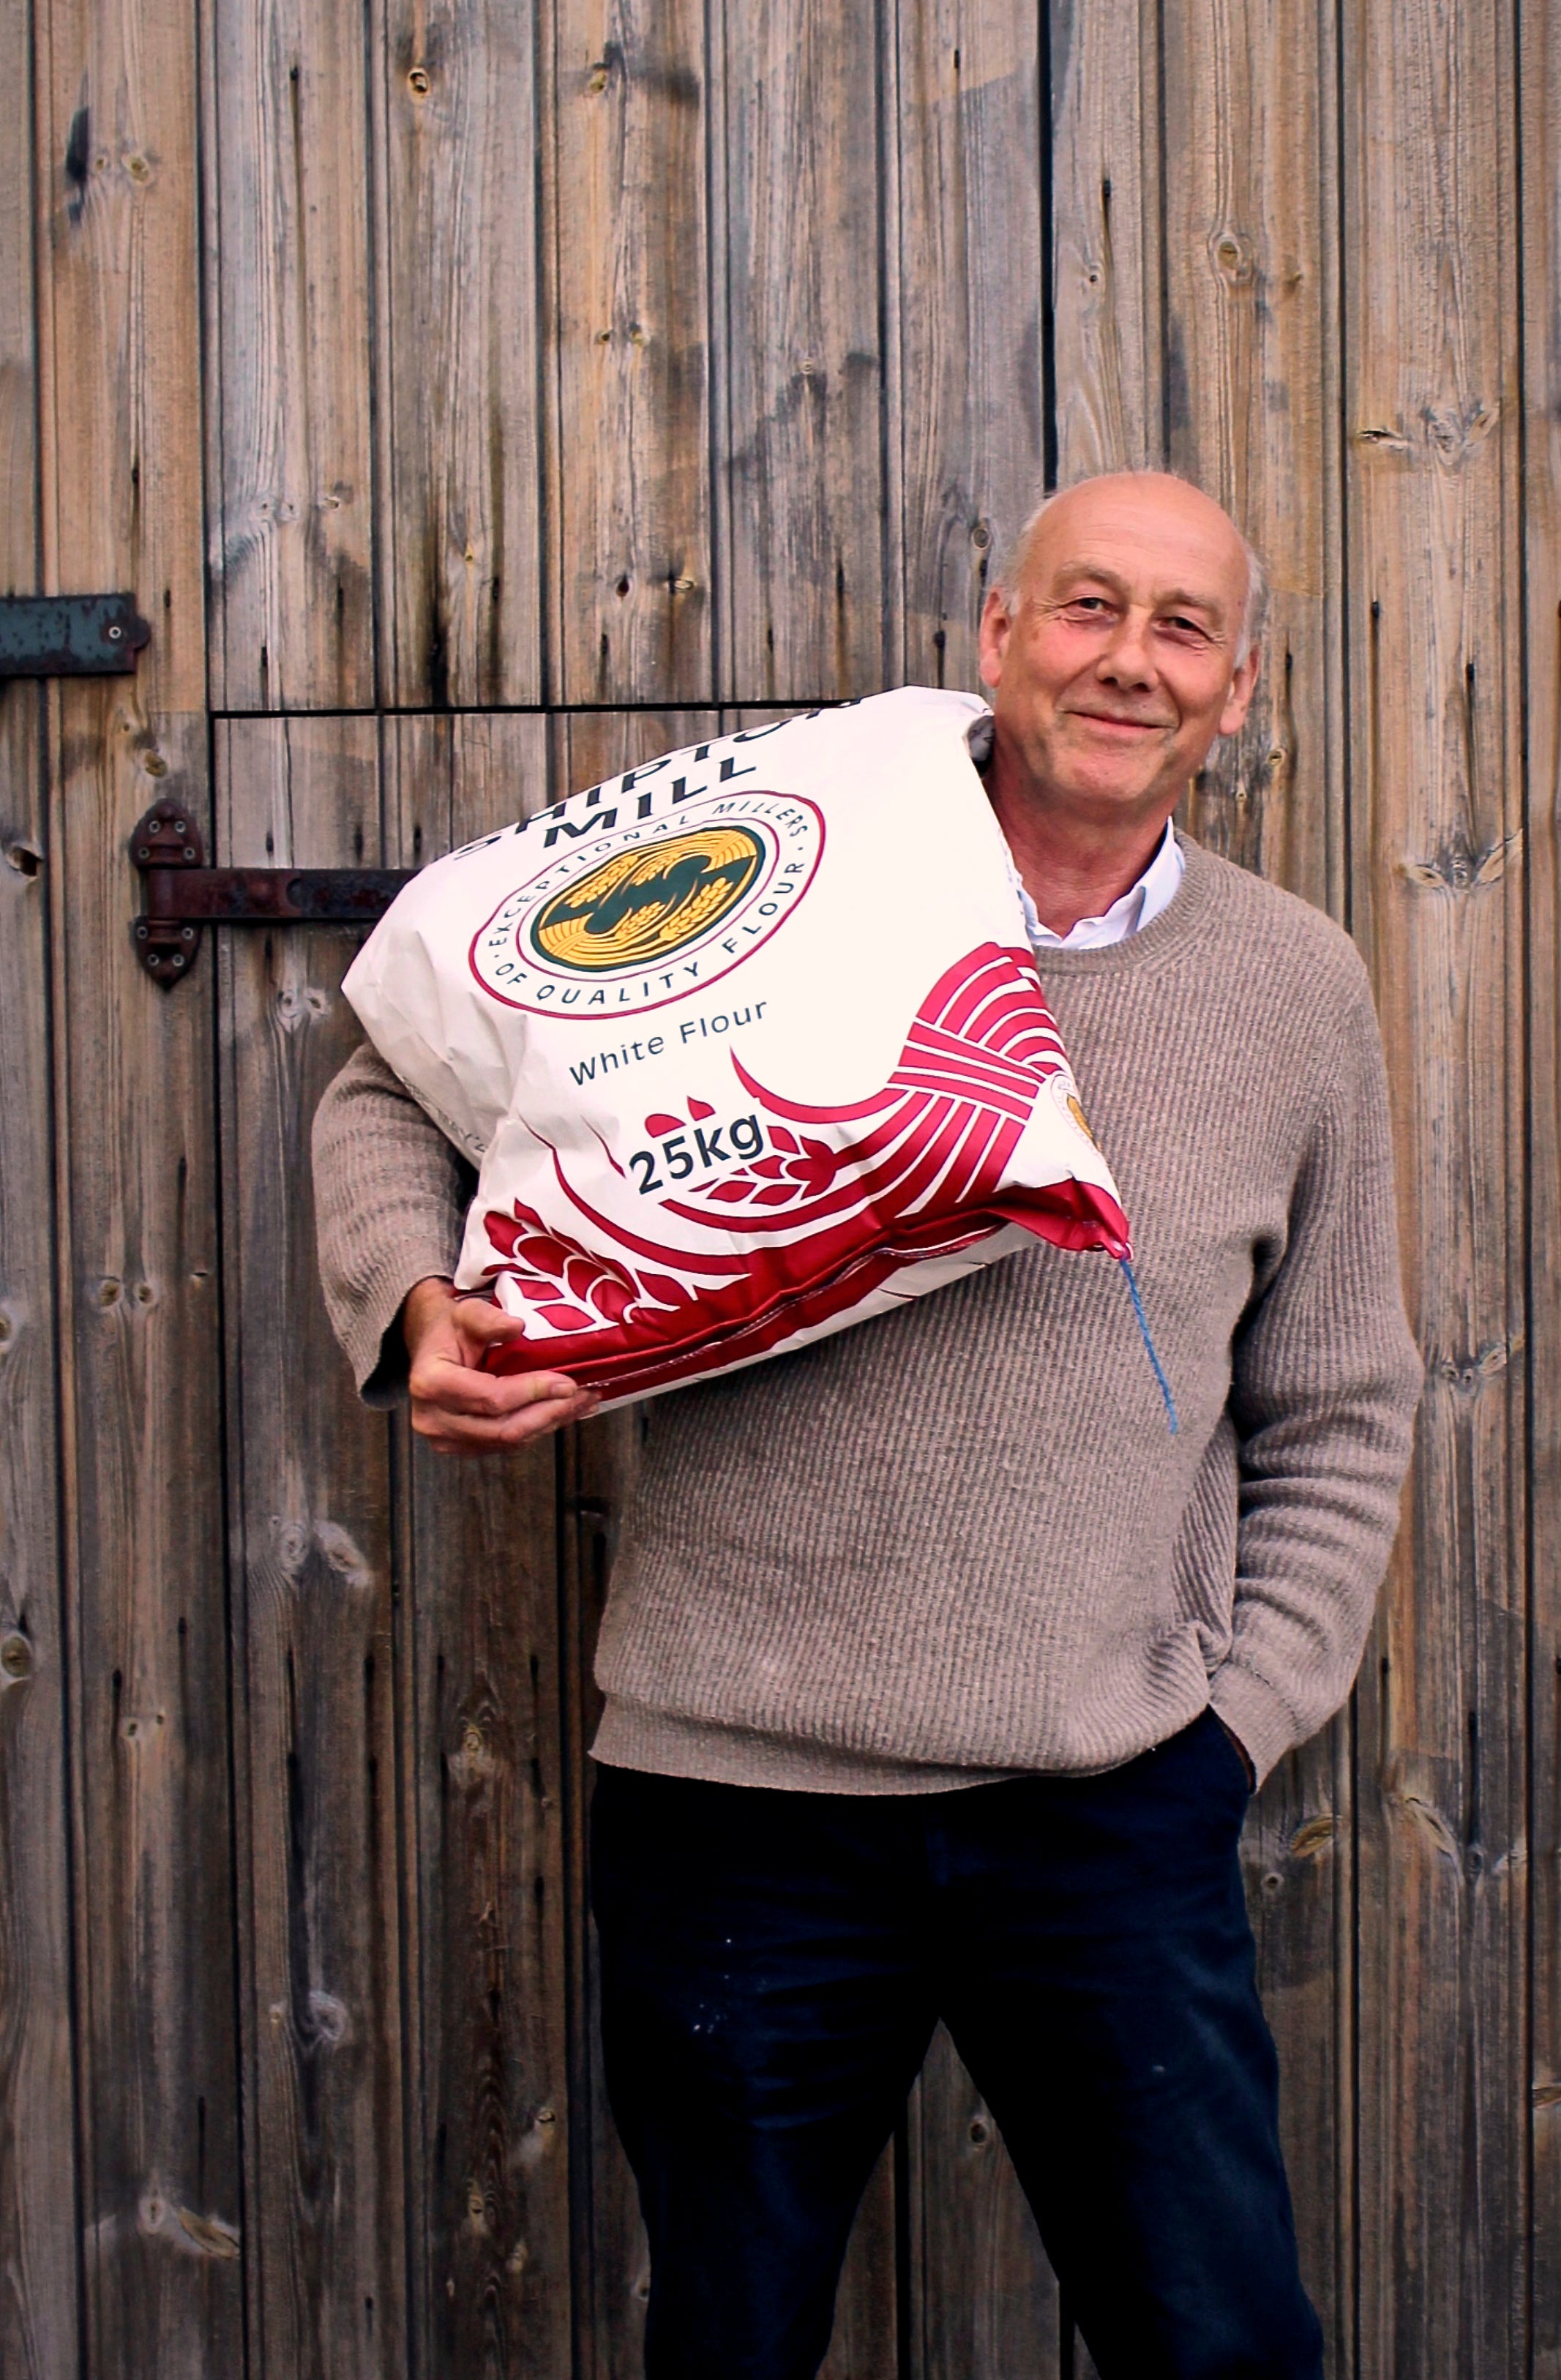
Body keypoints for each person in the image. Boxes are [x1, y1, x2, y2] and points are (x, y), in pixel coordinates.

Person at [313, 471, 1422, 2380]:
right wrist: (416, 1297)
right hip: (734, 1798)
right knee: (731, 2348)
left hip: (1109, 1815)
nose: (1129, 664)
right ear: (997, 637)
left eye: (1183, 630)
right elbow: (390, 1087)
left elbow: (1340, 1404)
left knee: (1221, 2345)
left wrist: (1224, 1735)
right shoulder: (798, 882)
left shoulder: (1294, 985)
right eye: (1089, 609)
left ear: (1240, 690)